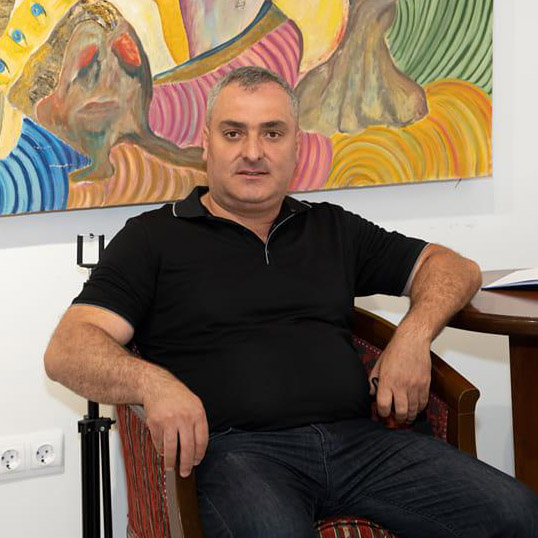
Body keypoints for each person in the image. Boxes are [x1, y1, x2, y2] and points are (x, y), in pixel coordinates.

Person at [44, 66, 538, 537]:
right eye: (233, 133)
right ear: (206, 142)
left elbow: (455, 268)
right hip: (238, 453)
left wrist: (413, 337)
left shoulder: (331, 227)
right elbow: (68, 348)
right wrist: (153, 384)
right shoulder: (154, 237)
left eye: (272, 133)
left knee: (516, 513)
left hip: (361, 445)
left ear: (296, 145)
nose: (253, 152)